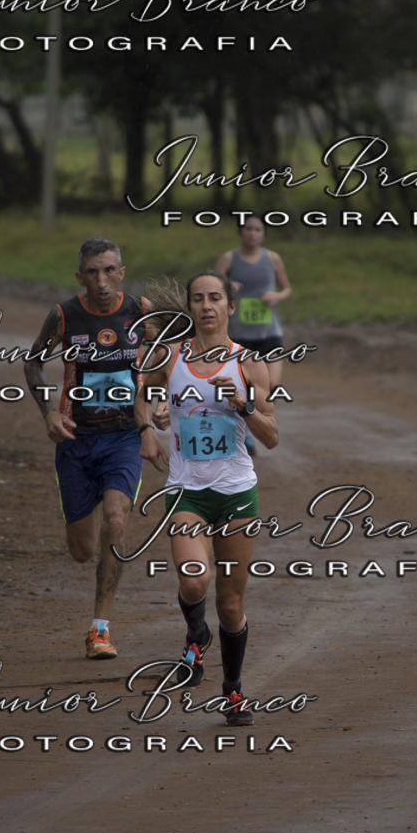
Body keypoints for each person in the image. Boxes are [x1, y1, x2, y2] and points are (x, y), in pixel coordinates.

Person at [134, 271, 278, 725]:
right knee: (195, 582)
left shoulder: (248, 364)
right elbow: (141, 393)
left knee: (231, 605)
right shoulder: (170, 358)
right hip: (187, 491)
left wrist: (244, 405)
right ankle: (196, 634)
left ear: (230, 308)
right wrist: (149, 426)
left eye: (216, 298)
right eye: (198, 298)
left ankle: (233, 690)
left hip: (236, 492)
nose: (206, 305)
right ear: (191, 308)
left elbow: (271, 436)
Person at [25, 237, 156, 659]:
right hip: (76, 440)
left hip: (122, 437)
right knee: (83, 551)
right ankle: (98, 551)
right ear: (79, 276)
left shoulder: (141, 312)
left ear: (122, 272)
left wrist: (156, 409)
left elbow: (161, 360)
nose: (101, 280)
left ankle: (100, 629)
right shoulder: (64, 315)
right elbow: (32, 361)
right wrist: (48, 411)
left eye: (109, 270)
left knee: (116, 520)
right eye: (92, 272)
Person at [215, 213, 291, 454]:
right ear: (240, 232)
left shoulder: (273, 258)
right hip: (239, 335)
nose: (252, 233)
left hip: (269, 332)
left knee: (273, 386)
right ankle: (245, 434)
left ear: (264, 233)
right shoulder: (228, 259)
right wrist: (227, 288)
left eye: (258, 229)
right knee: (243, 388)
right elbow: (211, 289)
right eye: (248, 229)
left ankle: (261, 426)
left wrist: (276, 296)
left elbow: (286, 288)